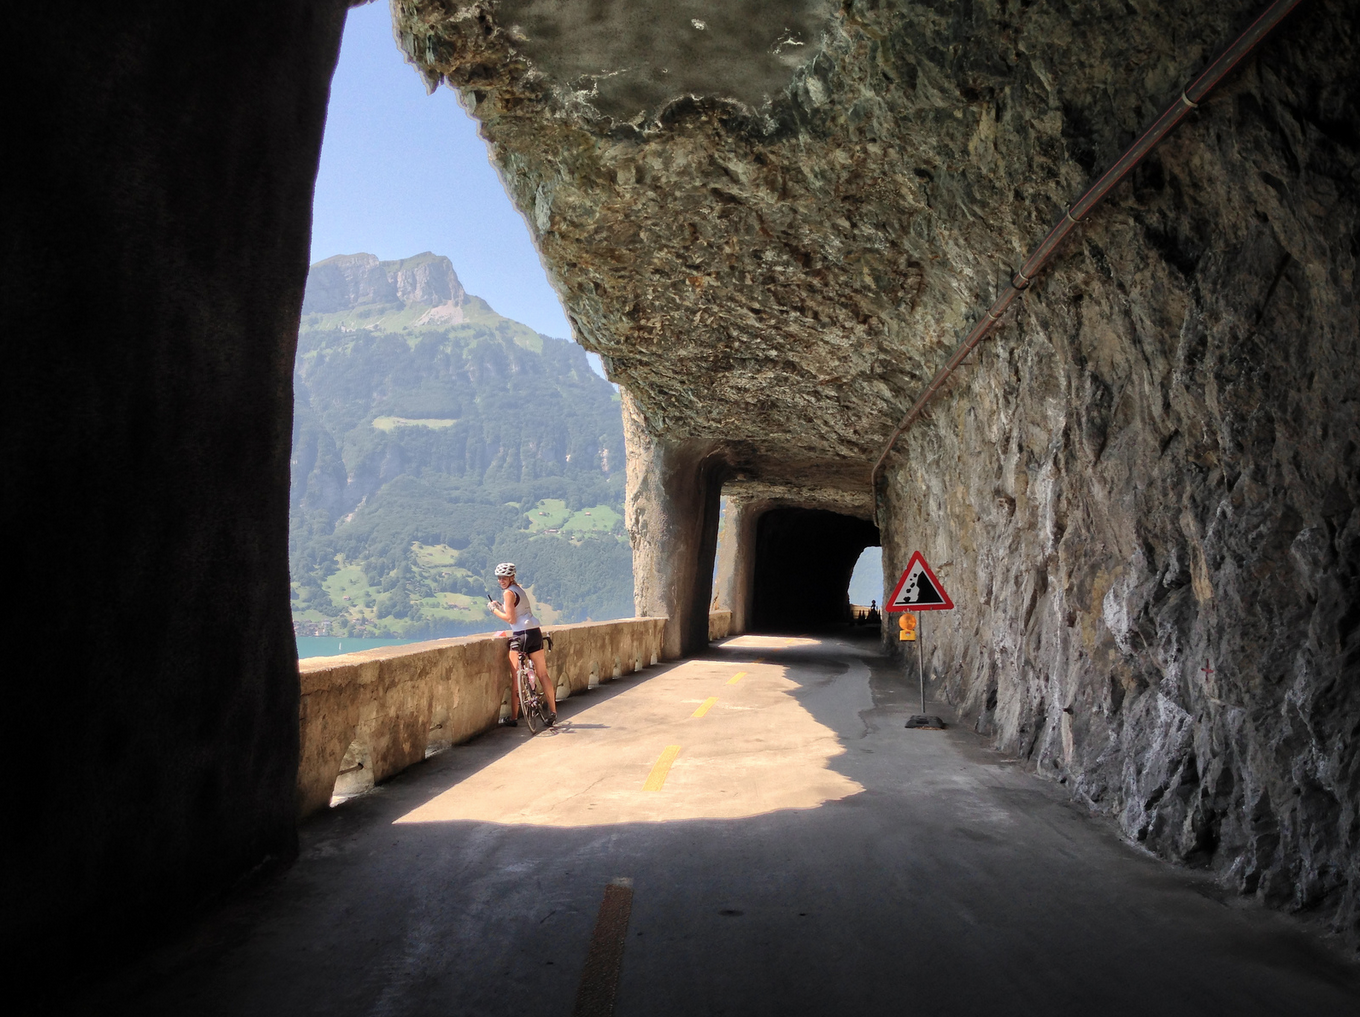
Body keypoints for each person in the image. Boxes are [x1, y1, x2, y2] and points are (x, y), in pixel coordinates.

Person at [488, 562, 556, 727]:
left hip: (521, 635)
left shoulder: (508, 593)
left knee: (516, 677)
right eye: (499, 578)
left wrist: (493, 610)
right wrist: (501, 606)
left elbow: (511, 619)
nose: (501, 580)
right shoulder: (520, 590)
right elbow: (517, 610)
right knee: (543, 674)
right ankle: (553, 712)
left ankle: (513, 718)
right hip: (535, 633)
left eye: (504, 577)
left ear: (511, 577)